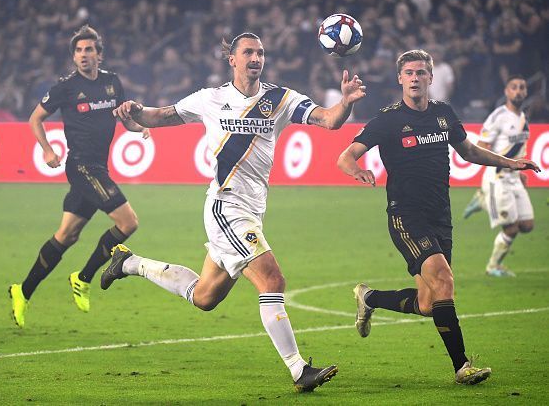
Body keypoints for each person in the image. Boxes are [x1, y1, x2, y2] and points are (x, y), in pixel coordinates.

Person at [101, 32, 366, 392]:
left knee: (205, 297)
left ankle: (128, 263)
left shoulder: (282, 99)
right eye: (248, 52)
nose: (255, 58)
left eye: (260, 53)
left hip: (251, 211)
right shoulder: (211, 99)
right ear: (233, 60)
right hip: (225, 207)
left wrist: (347, 102)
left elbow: (330, 120)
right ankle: (298, 369)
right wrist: (134, 111)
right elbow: (159, 116)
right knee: (272, 281)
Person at [337, 50, 539, 385]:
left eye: (421, 73)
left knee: (430, 302)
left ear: (431, 77)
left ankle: (368, 297)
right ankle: (463, 367)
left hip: (439, 216)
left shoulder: (444, 114)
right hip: (405, 216)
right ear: (400, 79)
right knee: (444, 281)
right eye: (409, 73)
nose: (415, 78)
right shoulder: (387, 119)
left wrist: (511, 162)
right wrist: (357, 170)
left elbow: (470, 151)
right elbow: (346, 156)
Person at [8, 25, 149, 328]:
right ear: (74, 56)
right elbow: (36, 118)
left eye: (89, 49)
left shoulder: (112, 83)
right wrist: (47, 150)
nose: (84, 55)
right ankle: (83, 278)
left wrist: (140, 128)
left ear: (99, 54)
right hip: (83, 167)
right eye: (79, 51)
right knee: (128, 222)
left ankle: (22, 291)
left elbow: (125, 120)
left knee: (67, 235)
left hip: (99, 167)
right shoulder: (66, 87)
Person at [463, 75, 534, 277]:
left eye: (522, 87)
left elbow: (520, 148)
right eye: (514, 87)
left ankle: (483, 201)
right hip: (498, 178)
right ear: (507, 91)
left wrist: (520, 172)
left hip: (514, 178)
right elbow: (481, 148)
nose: (518, 91)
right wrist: (504, 164)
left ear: (526, 92)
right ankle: (493, 266)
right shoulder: (498, 116)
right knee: (511, 228)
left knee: (527, 226)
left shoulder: (523, 119)